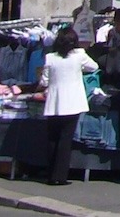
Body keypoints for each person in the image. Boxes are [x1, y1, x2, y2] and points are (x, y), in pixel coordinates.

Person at [39, 26, 97, 186]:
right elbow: (94, 66)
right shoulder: (79, 56)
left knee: (53, 139)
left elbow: (44, 81)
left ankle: (51, 174)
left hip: (54, 102)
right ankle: (61, 175)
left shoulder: (50, 58)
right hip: (72, 103)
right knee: (65, 140)